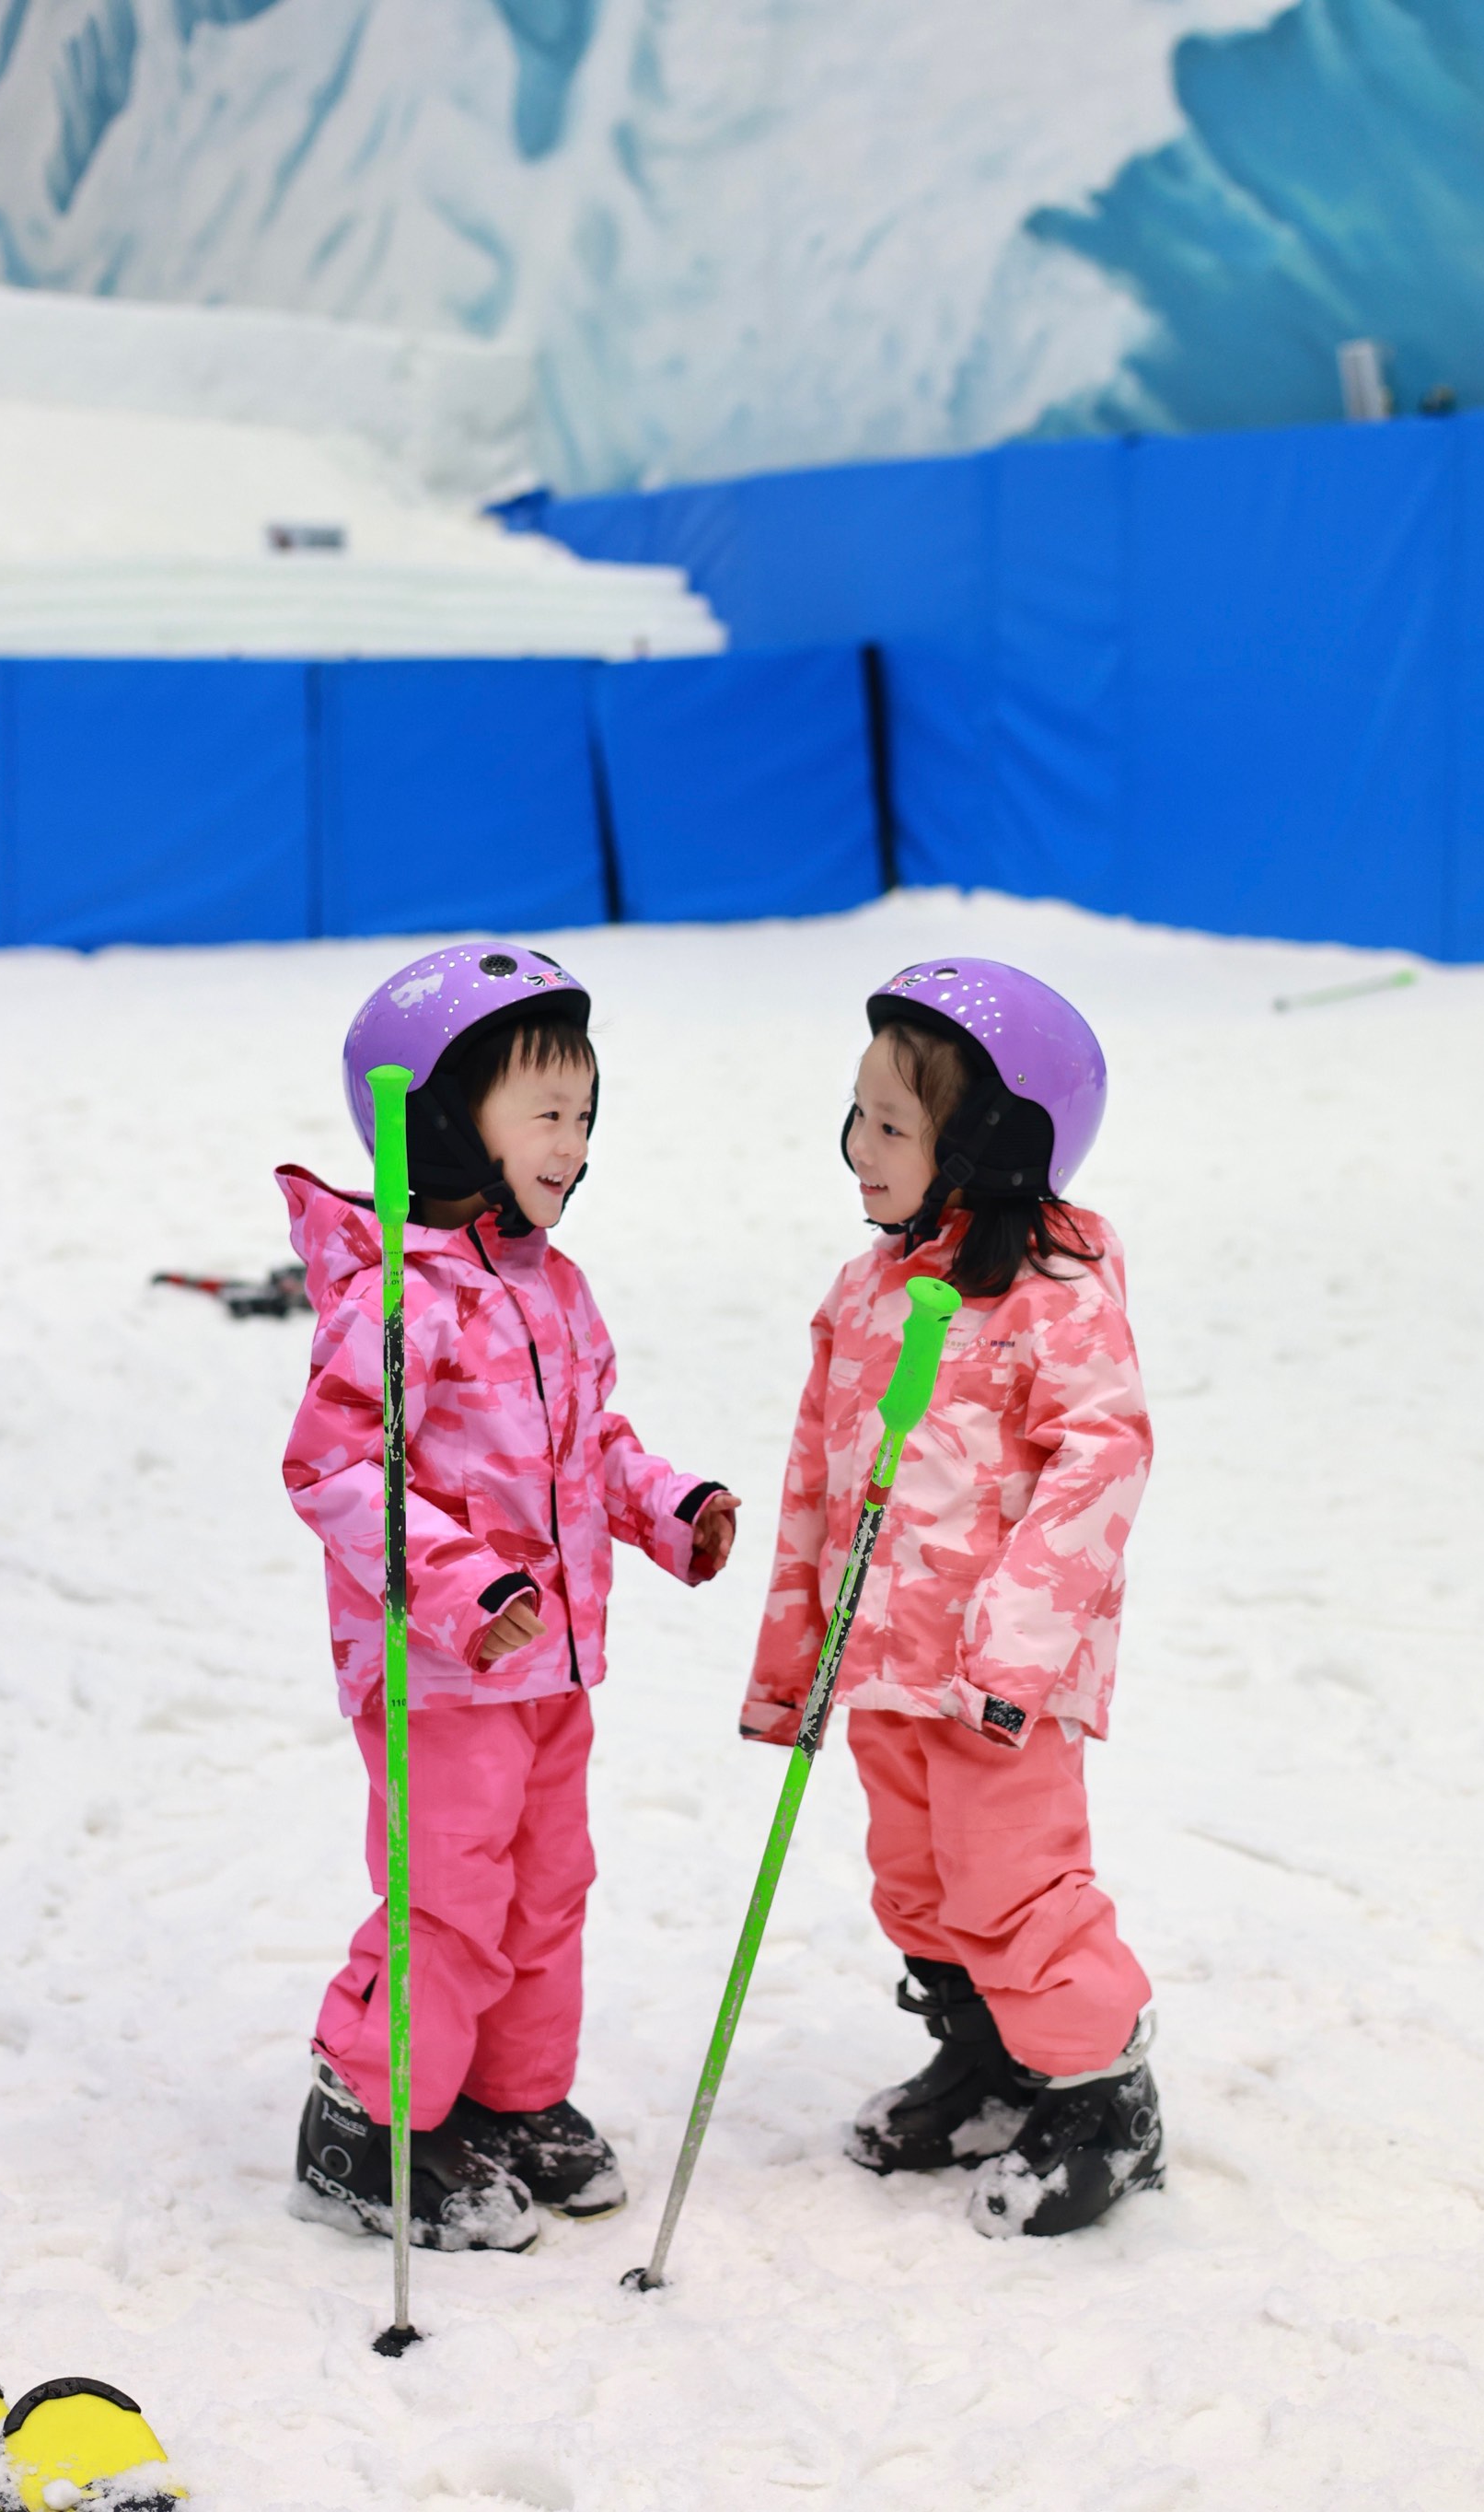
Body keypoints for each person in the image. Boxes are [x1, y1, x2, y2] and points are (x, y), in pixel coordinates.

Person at [282, 944, 738, 2252]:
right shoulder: (396, 1298)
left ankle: (512, 2095)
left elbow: (591, 1443)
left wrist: (667, 1506)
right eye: (544, 1110)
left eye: (586, 1112)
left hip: (552, 1672)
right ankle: (366, 2118)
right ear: (440, 1116)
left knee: (549, 1891)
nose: (574, 1140)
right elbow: (332, 1467)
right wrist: (465, 1585)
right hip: (442, 1672)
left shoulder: (553, 1290)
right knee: (449, 1898)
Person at [740, 958, 1161, 2239]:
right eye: (858, 1112)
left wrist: (1018, 1654)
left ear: (986, 1144)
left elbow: (1104, 1462)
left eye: (894, 1126)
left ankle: (1100, 2098)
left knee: (1015, 1885)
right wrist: (795, 1661)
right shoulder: (865, 1292)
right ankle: (986, 2061)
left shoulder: (1057, 1298)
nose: (858, 1146)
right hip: (881, 1662)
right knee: (916, 1880)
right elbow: (816, 1478)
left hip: (995, 1684)